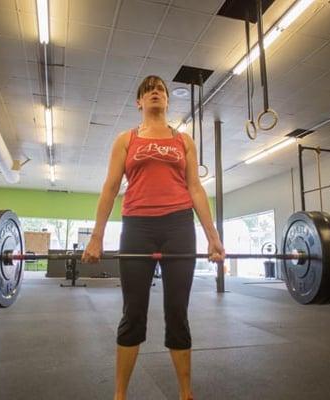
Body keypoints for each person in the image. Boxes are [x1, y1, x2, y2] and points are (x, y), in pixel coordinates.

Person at [82, 75, 225, 400]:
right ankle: (120, 395)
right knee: (133, 312)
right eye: (148, 91)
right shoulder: (126, 139)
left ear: (167, 99)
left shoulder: (184, 140)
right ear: (139, 102)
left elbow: (195, 188)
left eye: (159, 89)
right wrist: (96, 236)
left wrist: (212, 237)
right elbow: (110, 188)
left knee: (177, 311)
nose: (155, 93)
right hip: (137, 227)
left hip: (178, 226)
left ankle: (185, 394)